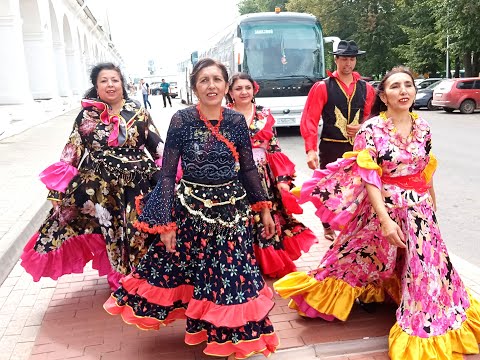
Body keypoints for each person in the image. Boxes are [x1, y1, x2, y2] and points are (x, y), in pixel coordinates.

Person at [273, 66, 480, 359]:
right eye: (395, 86)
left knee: (426, 269)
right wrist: (383, 219)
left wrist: (433, 205)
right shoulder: (372, 129)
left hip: (419, 209)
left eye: (408, 85)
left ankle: (426, 320)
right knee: (353, 253)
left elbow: (425, 170)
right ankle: (327, 296)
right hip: (382, 205)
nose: (404, 91)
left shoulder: (423, 127)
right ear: (383, 95)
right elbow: (370, 176)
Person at [104, 58, 279, 359]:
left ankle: (231, 337)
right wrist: (165, 224)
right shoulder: (182, 120)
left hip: (233, 211)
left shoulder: (236, 121)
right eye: (204, 80)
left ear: (226, 86)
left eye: (217, 80)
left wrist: (263, 207)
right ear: (194, 86)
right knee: (200, 271)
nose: (211, 86)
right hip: (191, 210)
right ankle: (210, 327)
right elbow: (169, 173)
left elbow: (248, 168)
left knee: (232, 271)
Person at [20, 62, 164, 290]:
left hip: (138, 184)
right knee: (113, 231)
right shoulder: (86, 116)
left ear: (122, 84)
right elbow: (72, 150)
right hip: (99, 187)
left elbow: (155, 144)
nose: (110, 85)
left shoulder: (138, 111)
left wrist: (169, 173)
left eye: (115, 80)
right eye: (104, 81)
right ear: (96, 87)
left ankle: (139, 275)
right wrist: (57, 190)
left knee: (136, 230)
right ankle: (119, 277)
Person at [226, 72, 317, 278]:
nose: (243, 92)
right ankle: (243, 261)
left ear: (254, 90)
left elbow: (274, 147)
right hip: (233, 175)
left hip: (261, 174)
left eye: (247, 88)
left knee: (266, 215)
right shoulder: (224, 115)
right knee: (239, 216)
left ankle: (266, 260)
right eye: (238, 88)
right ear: (230, 92)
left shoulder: (263, 113)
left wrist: (282, 179)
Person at [300, 40, 375, 241]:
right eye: (344, 59)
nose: (348, 63)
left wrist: (361, 127)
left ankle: (351, 226)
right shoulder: (323, 87)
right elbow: (310, 118)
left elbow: (371, 118)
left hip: (357, 149)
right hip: (330, 146)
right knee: (329, 187)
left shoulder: (366, 88)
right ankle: (327, 225)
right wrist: (310, 149)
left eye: (351, 59)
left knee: (356, 189)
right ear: (336, 60)